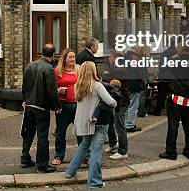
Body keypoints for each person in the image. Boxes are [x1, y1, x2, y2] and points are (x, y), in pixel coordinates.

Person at [64, 61, 117, 188]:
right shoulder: (97, 86)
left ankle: (70, 171)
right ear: (94, 71)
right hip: (98, 122)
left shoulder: (78, 86)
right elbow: (111, 102)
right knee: (96, 151)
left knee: (84, 145)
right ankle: (95, 182)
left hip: (84, 122)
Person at [21, 44, 60, 173]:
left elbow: (25, 85)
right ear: (52, 55)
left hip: (29, 105)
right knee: (42, 135)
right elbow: (51, 91)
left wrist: (25, 100)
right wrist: (57, 106)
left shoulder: (30, 65)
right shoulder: (49, 68)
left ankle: (25, 159)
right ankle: (42, 165)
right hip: (41, 107)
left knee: (28, 133)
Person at [159, 45, 189, 161]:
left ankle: (171, 151)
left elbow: (165, 70)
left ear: (181, 50)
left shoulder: (175, 61)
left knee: (173, 125)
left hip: (177, 97)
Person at [52, 48, 80, 166]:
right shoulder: (57, 71)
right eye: (70, 57)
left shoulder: (78, 69)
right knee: (60, 132)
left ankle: (84, 155)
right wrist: (58, 90)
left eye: (74, 57)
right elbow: (51, 88)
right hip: (63, 105)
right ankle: (59, 155)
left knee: (81, 132)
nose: (73, 59)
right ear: (64, 59)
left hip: (78, 104)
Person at [150, 45, 176, 116]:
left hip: (164, 78)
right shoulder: (178, 53)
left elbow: (161, 64)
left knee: (161, 95)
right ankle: (172, 111)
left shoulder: (165, 53)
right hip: (173, 78)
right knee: (174, 95)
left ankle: (158, 111)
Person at [124, 47, 145, 132]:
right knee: (133, 105)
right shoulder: (135, 57)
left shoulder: (125, 57)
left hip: (126, 84)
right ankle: (130, 125)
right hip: (134, 84)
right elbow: (139, 71)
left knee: (127, 105)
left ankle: (126, 123)